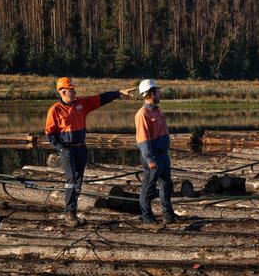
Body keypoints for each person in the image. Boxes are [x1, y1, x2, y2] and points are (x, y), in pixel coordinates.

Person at [45, 77, 135, 226]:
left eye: (74, 89)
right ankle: (69, 213)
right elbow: (50, 134)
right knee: (71, 181)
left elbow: (99, 99)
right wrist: (62, 149)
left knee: (78, 182)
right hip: (67, 150)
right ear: (62, 91)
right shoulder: (55, 110)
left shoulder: (81, 104)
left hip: (81, 148)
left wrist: (118, 93)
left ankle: (73, 212)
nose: (74, 92)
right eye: (71, 90)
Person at [135, 79, 176, 226]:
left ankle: (168, 214)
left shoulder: (157, 111)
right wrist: (150, 160)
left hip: (163, 155)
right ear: (151, 94)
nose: (159, 93)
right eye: (157, 91)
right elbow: (143, 140)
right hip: (153, 157)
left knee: (166, 185)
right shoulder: (142, 114)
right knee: (148, 187)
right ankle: (147, 218)